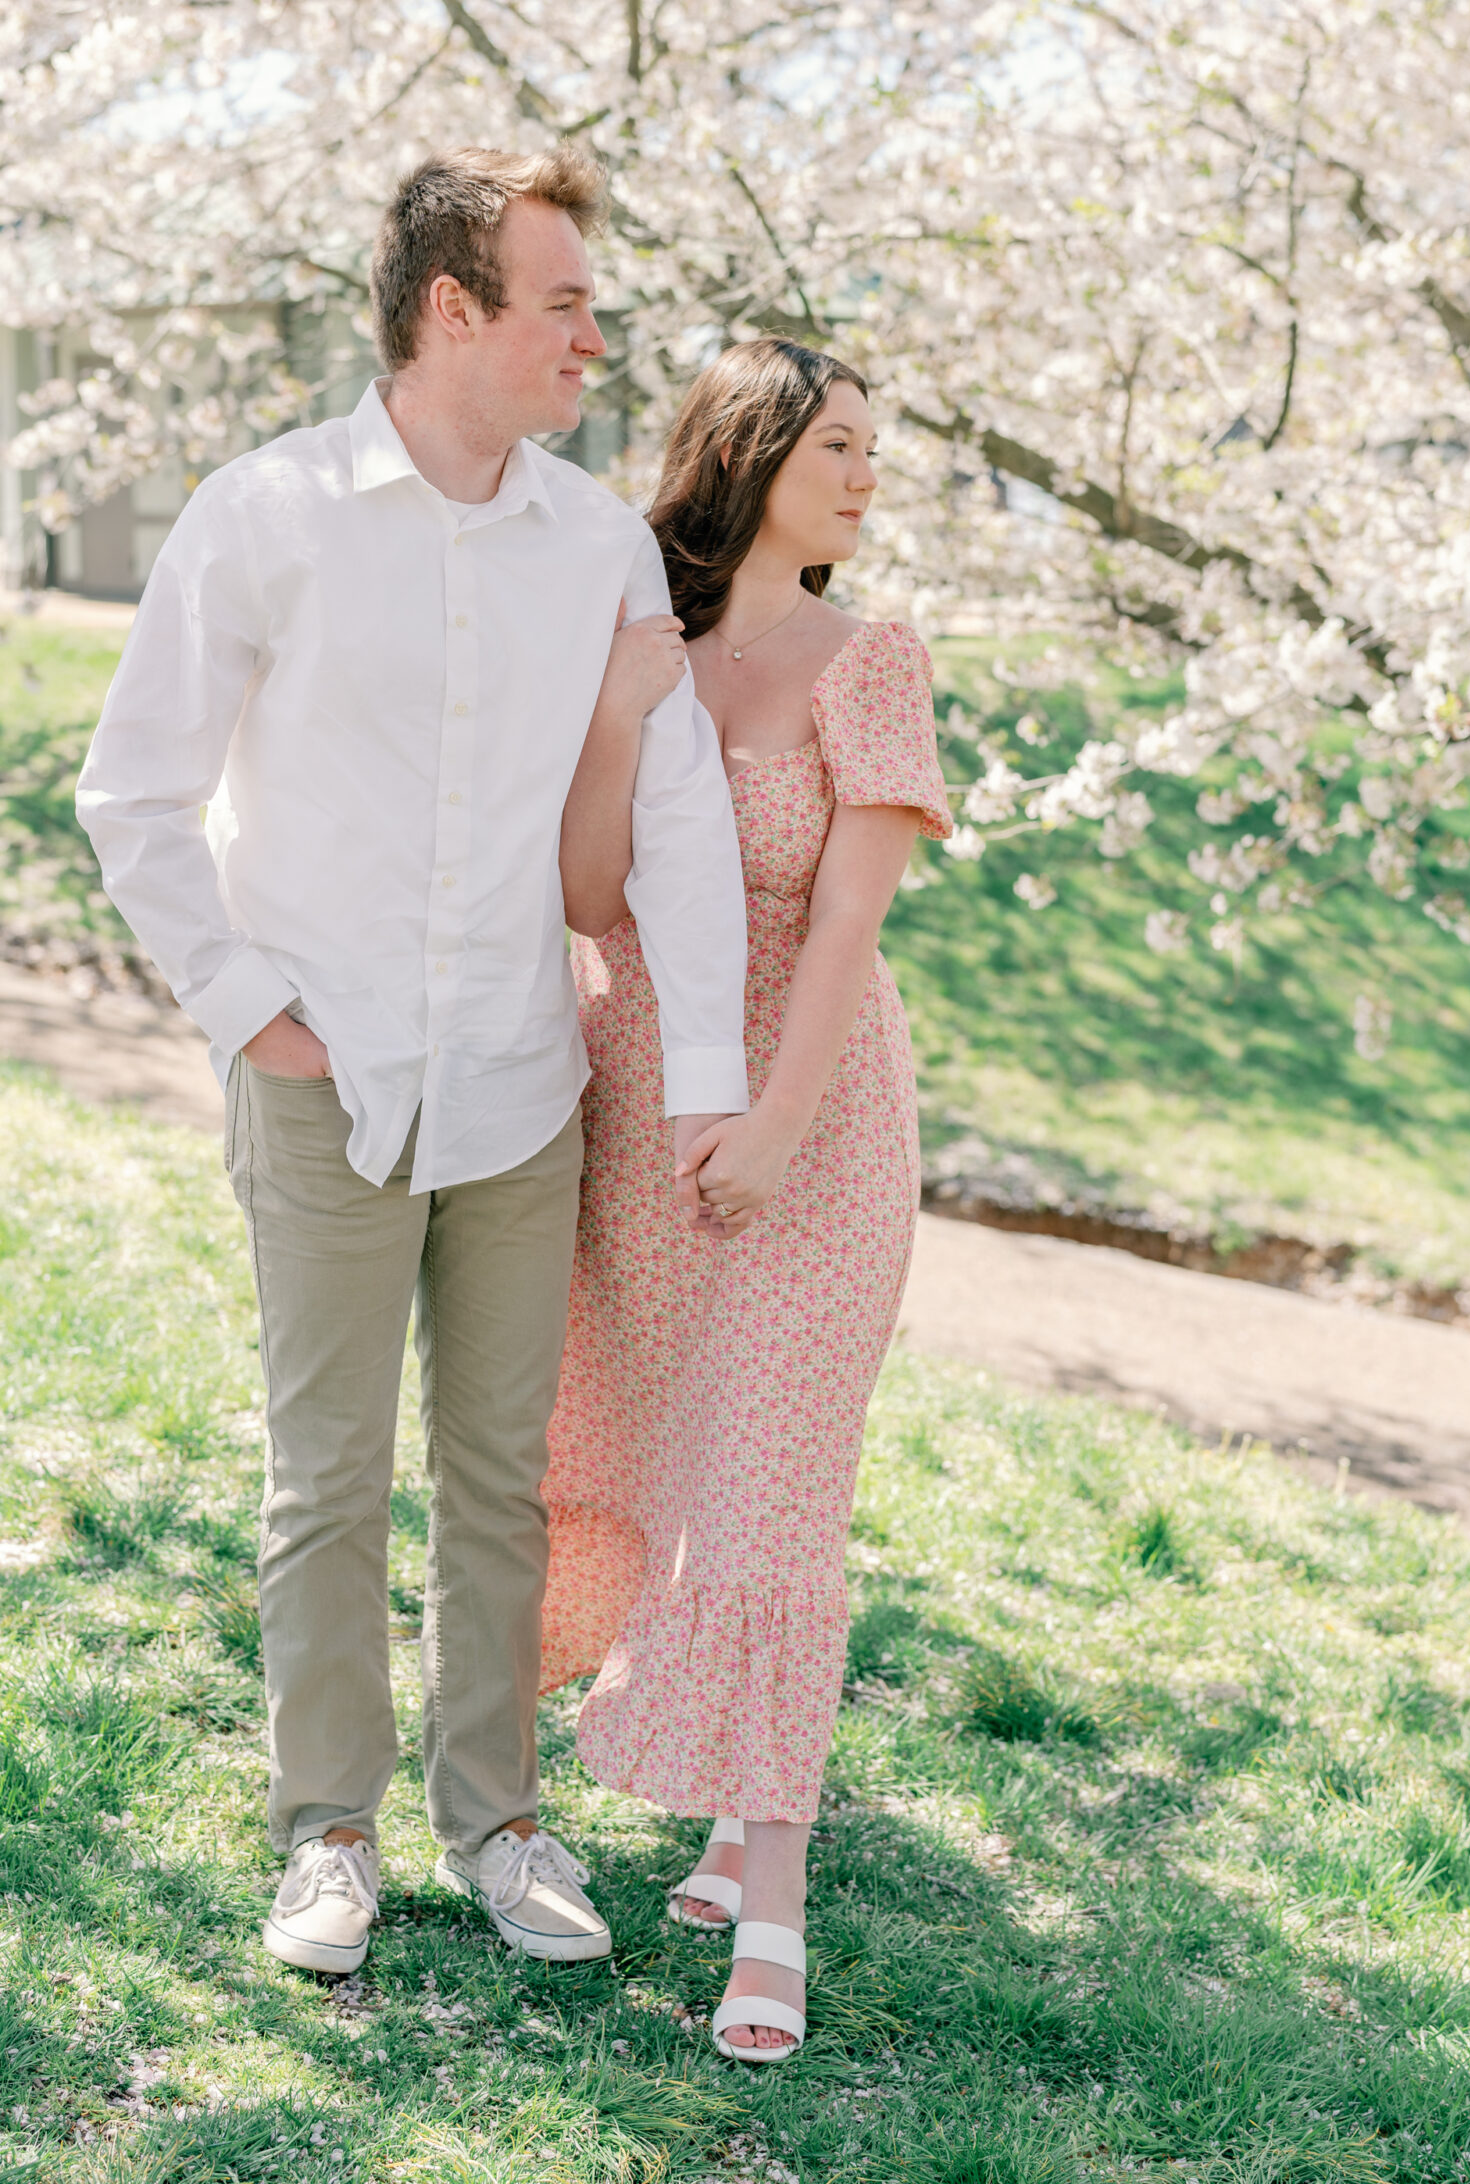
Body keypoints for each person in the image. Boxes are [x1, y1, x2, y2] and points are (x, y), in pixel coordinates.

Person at [76, 147, 750, 1977]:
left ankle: (500, 1822)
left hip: (524, 1084)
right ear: (453, 311)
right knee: (325, 1474)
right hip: (329, 1083)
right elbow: (132, 793)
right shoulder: (266, 514)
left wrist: (703, 1080)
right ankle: (326, 1836)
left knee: (499, 1475)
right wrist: (251, 1014)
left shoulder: (599, 546)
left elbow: (675, 816)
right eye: (563, 306)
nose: (596, 341)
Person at [542, 336, 953, 2064]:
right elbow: (582, 889)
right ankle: (703, 1796)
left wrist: (783, 1122)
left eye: (875, 448)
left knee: (774, 1495)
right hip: (637, 1114)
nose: (866, 473)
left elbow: (849, 921)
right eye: (836, 441)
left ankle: (767, 1904)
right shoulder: (635, 650)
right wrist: (626, 716)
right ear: (751, 447)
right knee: (660, 1454)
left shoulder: (873, 659)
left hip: (820, 1120)